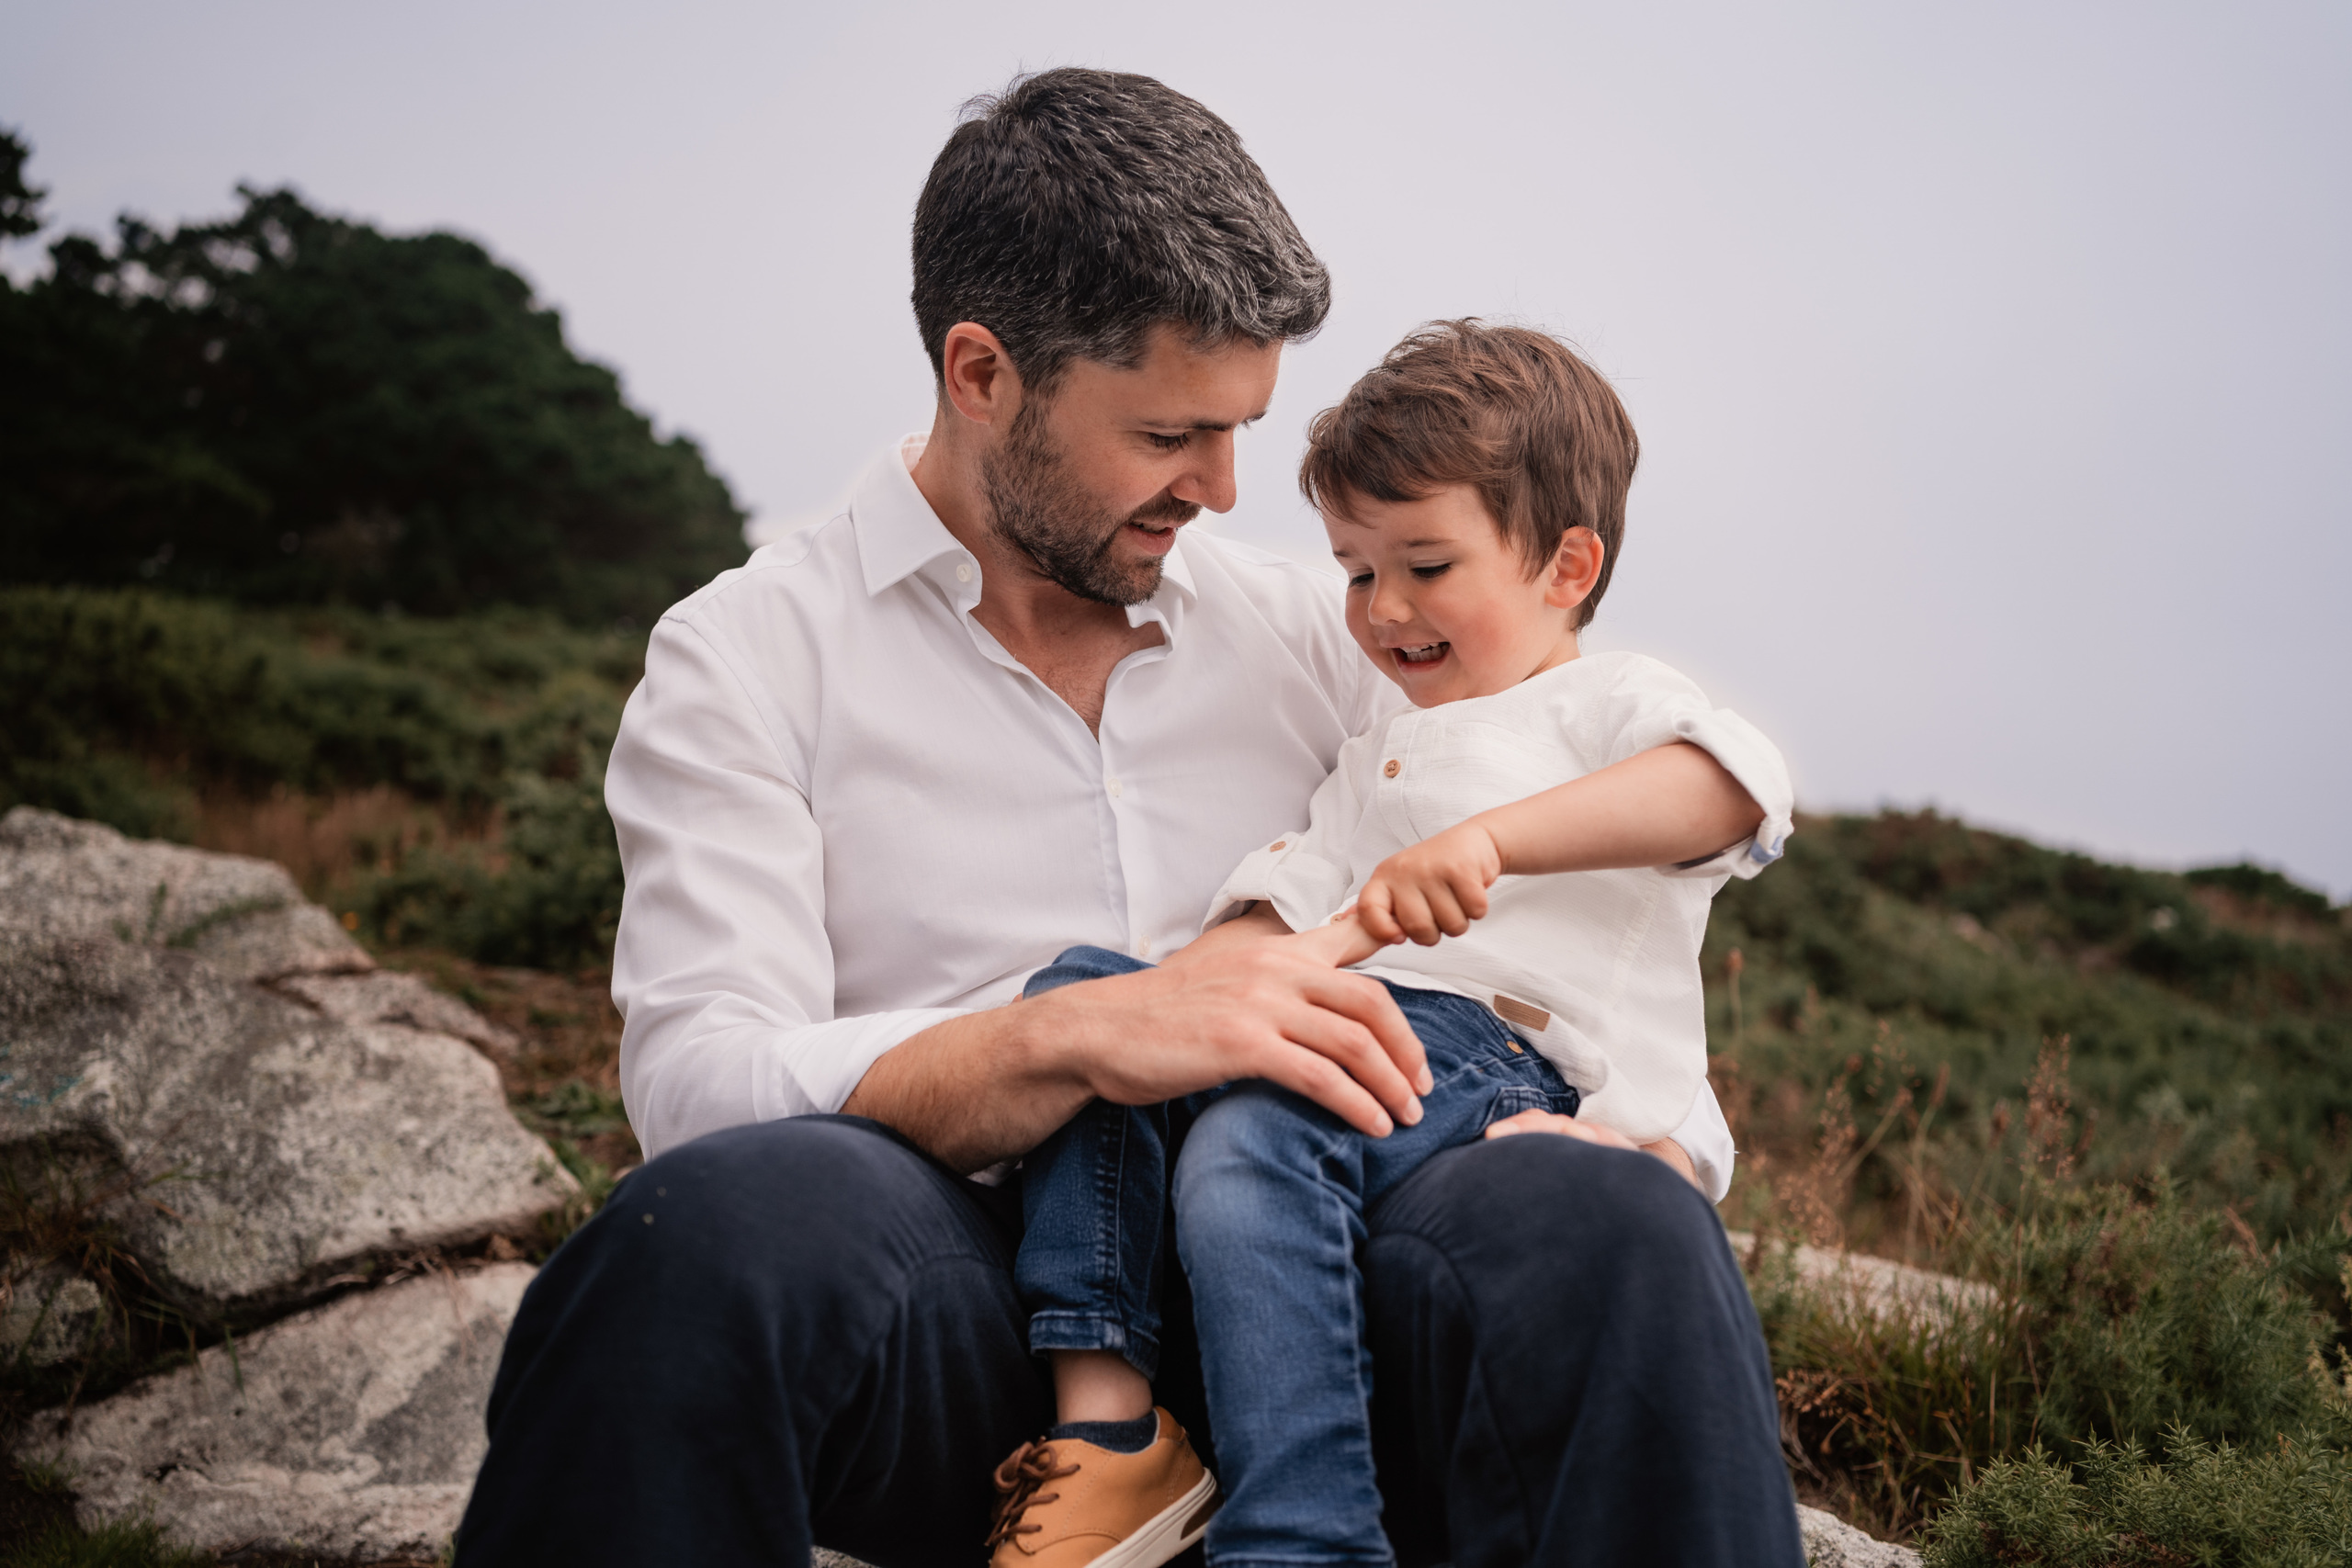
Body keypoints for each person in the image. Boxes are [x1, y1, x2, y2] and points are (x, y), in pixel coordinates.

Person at [455, 68, 1804, 1568]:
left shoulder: (1329, 638)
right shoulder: (748, 653)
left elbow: (1568, 906)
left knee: (1615, 1226)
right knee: (703, 1239)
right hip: (992, 1321)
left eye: (1241, 431)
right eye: (1173, 434)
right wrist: (1067, 1038)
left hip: (1339, 1297)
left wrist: (1665, 1146)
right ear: (983, 374)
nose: (1225, 492)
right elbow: (697, 1086)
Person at [992, 321, 1794, 1568]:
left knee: (1260, 1134)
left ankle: (1303, 1534)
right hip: (1359, 1020)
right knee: (1089, 1010)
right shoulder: (1372, 758)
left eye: (1426, 563)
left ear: (1566, 566)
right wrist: (1167, 1005)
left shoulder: (1604, 704)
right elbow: (1276, 928)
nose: (1387, 609)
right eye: (1360, 572)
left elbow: (1732, 789)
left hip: (1500, 1055)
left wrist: (1494, 844)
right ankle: (1110, 1430)